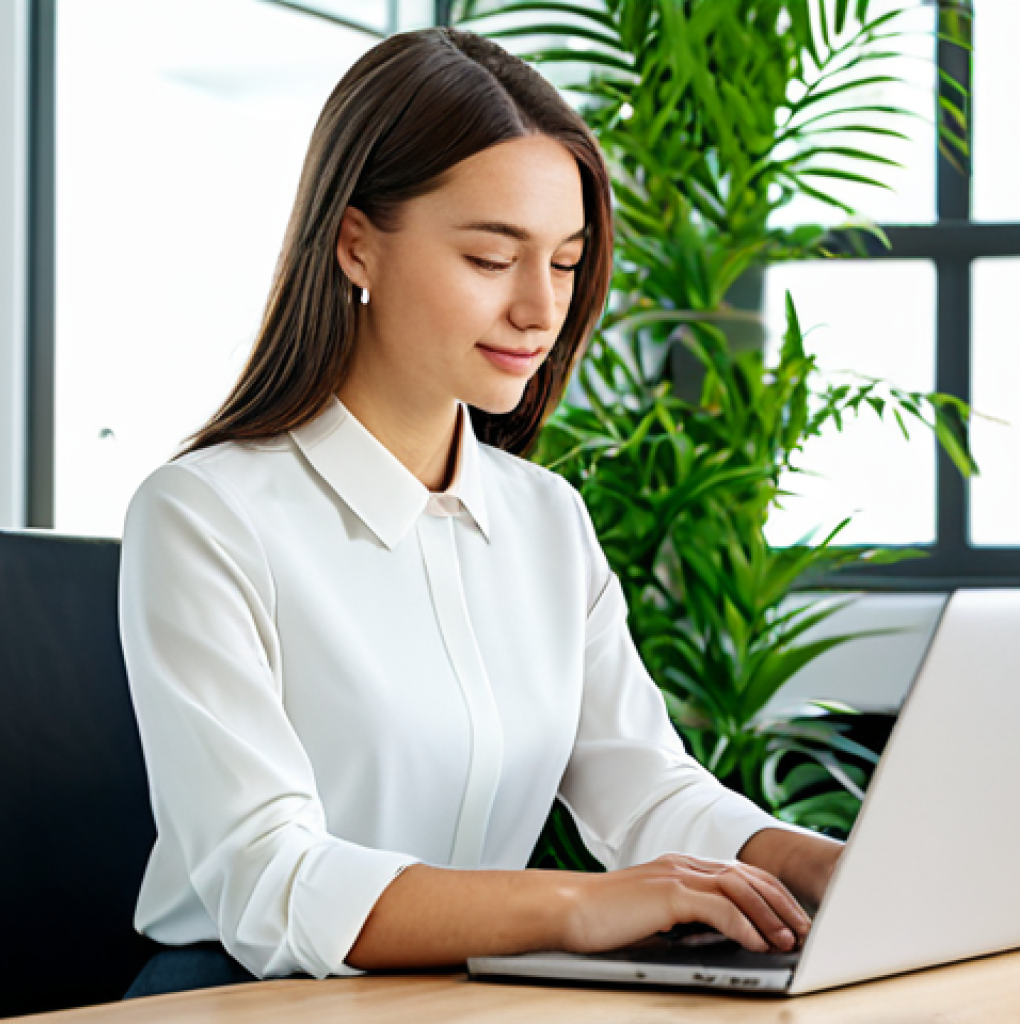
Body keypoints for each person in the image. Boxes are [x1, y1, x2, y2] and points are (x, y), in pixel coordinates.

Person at [119, 25, 841, 1000]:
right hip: (242, 993)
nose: (541, 311)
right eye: (492, 257)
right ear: (355, 243)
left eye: (567, 261)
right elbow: (270, 877)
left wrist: (826, 864)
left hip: (469, 992)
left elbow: (644, 788)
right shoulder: (205, 514)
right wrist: (578, 906)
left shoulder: (547, 520)